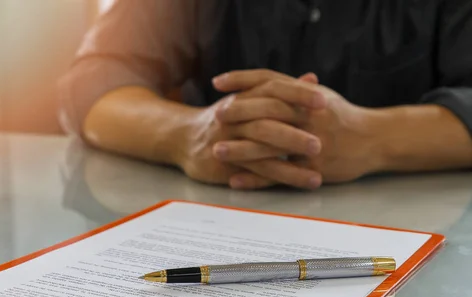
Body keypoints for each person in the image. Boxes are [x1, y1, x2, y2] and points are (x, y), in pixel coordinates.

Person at [58, 0, 472, 191]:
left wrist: (373, 138)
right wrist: (188, 134)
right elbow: (93, 80)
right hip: (213, 227)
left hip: (406, 252)